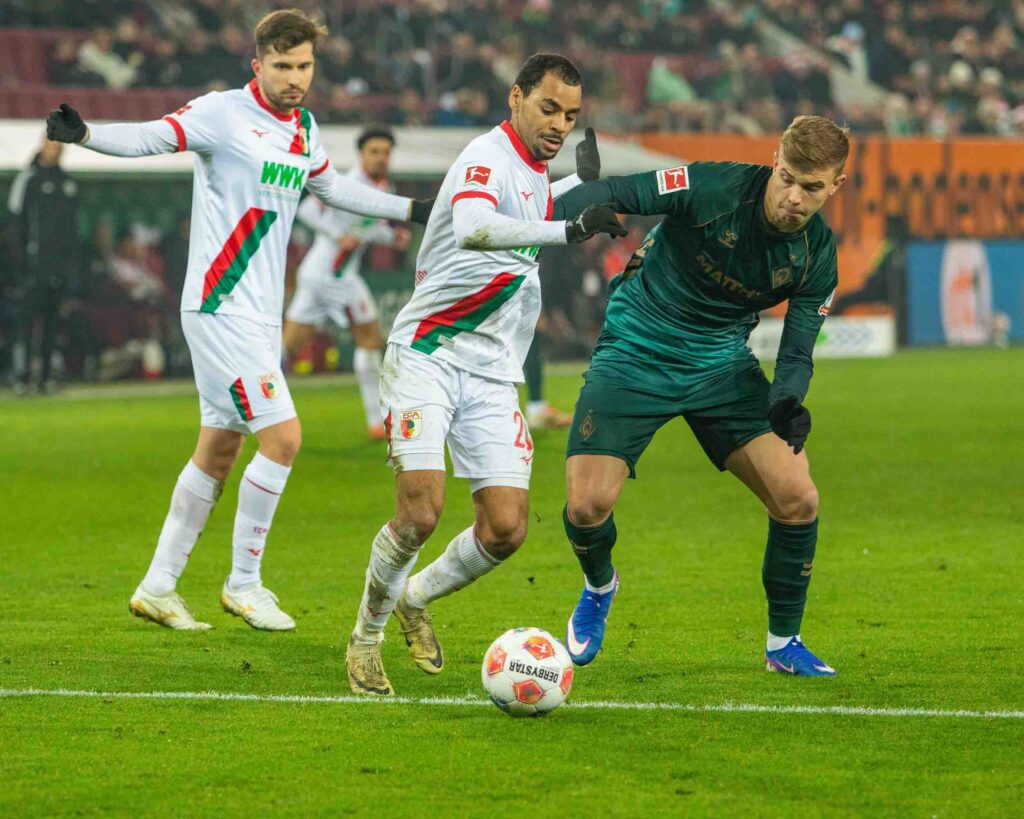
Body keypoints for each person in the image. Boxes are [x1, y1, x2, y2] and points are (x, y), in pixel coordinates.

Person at [45, 8, 431, 632]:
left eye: (304, 66)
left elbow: (334, 190)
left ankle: (158, 586)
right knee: (284, 438)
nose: (295, 78)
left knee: (219, 448)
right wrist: (86, 134)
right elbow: (152, 137)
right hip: (218, 304)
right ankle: (244, 584)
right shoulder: (222, 113)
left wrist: (411, 208)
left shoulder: (303, 128)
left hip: (257, 313)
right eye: (283, 66)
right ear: (258, 65)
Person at [344, 53, 626, 696]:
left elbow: (530, 207)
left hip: (492, 370)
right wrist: (568, 227)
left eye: (571, 115)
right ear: (516, 98)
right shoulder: (485, 156)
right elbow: (473, 226)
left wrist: (578, 190)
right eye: (549, 108)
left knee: (505, 529)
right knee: (420, 512)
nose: (559, 125)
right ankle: (365, 639)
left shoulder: (533, 170)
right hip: (429, 353)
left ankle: (414, 597)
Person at [552, 116, 848, 676]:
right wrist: (567, 215)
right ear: (775, 161)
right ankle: (599, 586)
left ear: (836, 186)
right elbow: (620, 190)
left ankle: (783, 644)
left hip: (721, 366)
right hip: (637, 348)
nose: (794, 197)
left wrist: (786, 402)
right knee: (587, 507)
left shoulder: (817, 255)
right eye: (787, 178)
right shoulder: (713, 186)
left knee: (798, 498)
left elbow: (796, 350)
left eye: (812, 187)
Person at [283, 126, 411, 441]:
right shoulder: (348, 183)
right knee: (370, 338)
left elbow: (365, 228)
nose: (380, 158)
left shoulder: (383, 187)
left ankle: (249, 397)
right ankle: (377, 422)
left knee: (289, 346)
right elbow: (307, 210)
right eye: (374, 152)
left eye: (385, 152)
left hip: (319, 273)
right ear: (361, 155)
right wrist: (339, 235)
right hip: (334, 274)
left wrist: (391, 236)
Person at [6, 138, 80, 394]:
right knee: (26, 325)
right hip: (33, 268)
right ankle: (22, 376)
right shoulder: (28, 179)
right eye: (52, 144)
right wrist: (21, 265)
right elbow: (14, 224)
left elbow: (72, 231)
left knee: (52, 325)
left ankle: (46, 377)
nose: (57, 150)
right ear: (43, 145)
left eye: (60, 146)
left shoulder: (68, 183)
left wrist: (70, 269)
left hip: (59, 270)